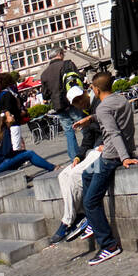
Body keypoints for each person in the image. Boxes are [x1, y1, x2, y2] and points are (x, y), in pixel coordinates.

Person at [80, 72, 138, 265]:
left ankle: (108, 245)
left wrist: (124, 158)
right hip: (119, 150)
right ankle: (92, 221)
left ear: (96, 90)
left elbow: (113, 133)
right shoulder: (119, 100)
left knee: (90, 202)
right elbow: (108, 117)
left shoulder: (104, 107)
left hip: (111, 157)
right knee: (85, 174)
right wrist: (89, 119)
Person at [47, 87, 105, 244]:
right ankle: (78, 214)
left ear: (83, 97)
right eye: (75, 105)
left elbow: (110, 127)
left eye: (78, 103)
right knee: (63, 175)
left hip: (104, 151)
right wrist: (78, 157)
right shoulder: (86, 112)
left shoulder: (99, 106)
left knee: (75, 176)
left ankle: (67, 221)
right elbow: (87, 138)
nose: (78, 107)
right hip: (92, 151)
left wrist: (105, 144)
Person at [40, 45, 82, 161]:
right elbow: (78, 79)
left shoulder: (44, 74)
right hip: (72, 101)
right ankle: (93, 148)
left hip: (59, 106)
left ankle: (74, 157)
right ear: (60, 54)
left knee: (69, 131)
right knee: (83, 124)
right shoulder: (67, 64)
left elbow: (45, 95)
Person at [0, 112, 56, 177]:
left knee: (21, 155)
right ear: (5, 120)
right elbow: (7, 152)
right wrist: (19, 153)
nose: (12, 115)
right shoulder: (5, 131)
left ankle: (21, 177)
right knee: (30, 154)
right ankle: (52, 167)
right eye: (10, 115)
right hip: (0, 165)